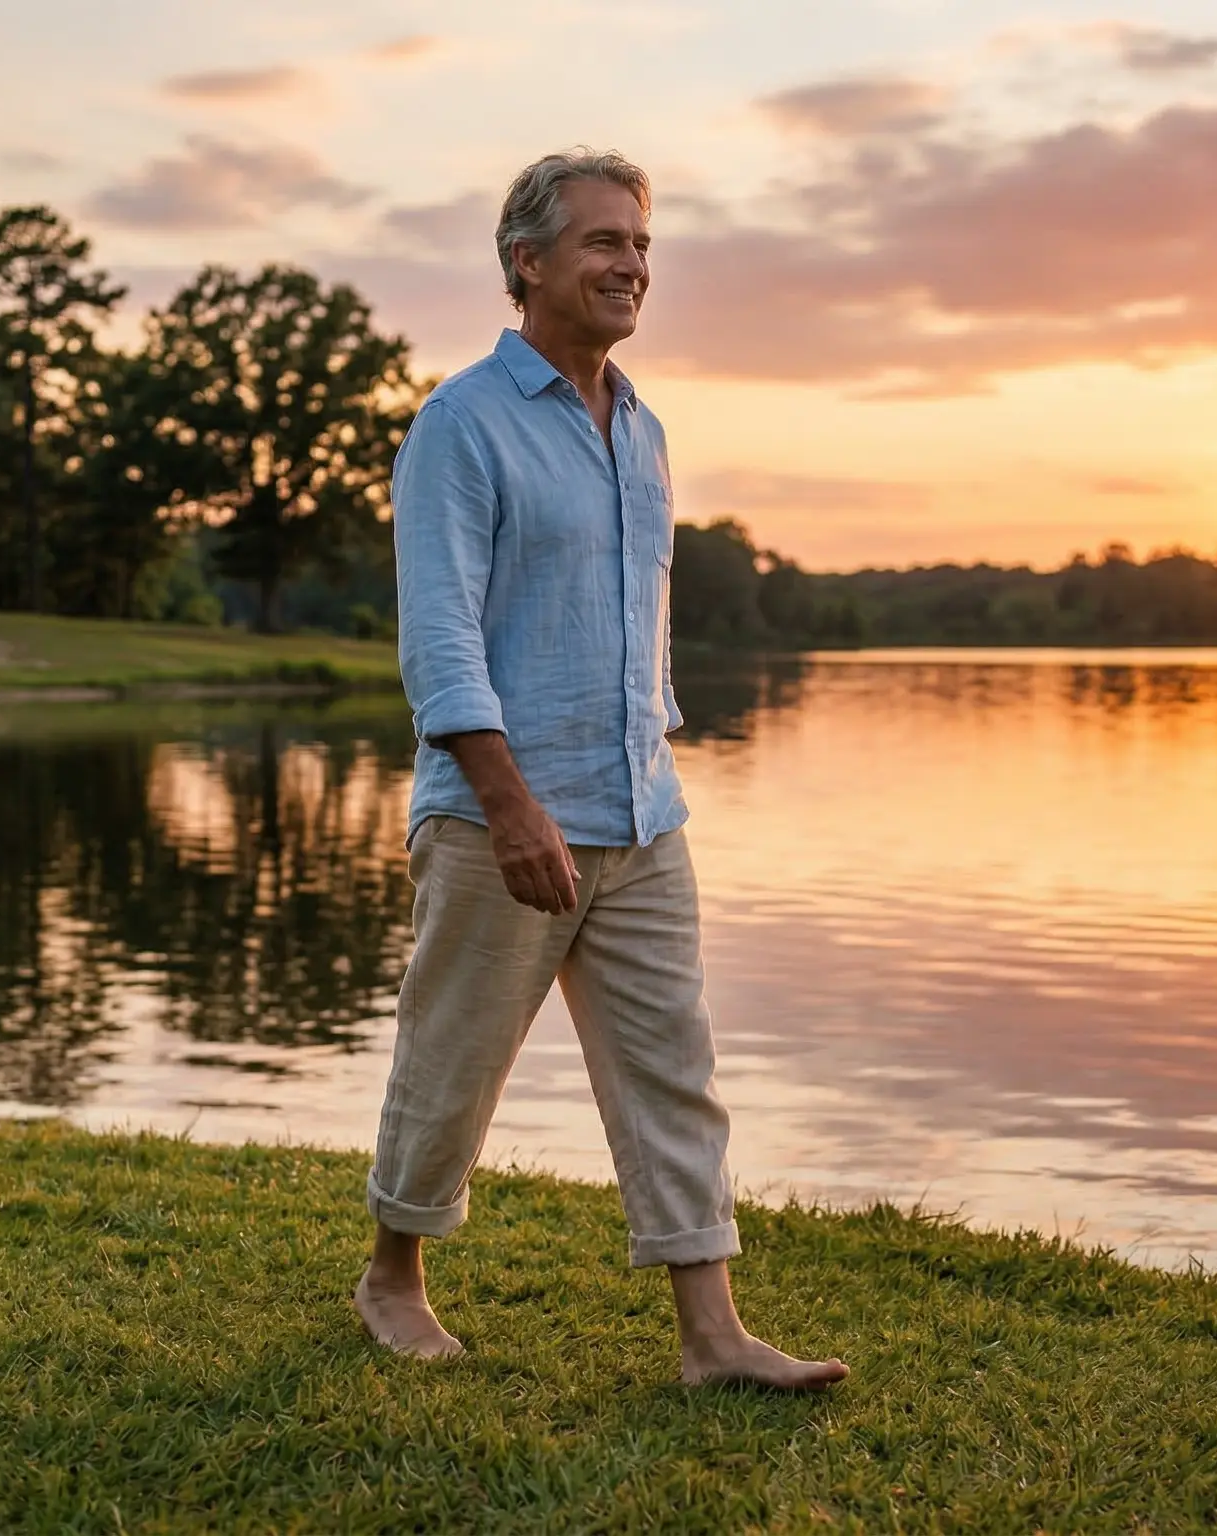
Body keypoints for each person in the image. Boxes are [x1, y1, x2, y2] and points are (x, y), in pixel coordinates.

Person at [357, 149, 848, 1391]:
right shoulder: (459, 425)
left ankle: (712, 1337)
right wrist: (510, 804)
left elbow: (631, 618)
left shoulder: (644, 428)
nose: (630, 264)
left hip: (641, 812)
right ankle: (391, 1277)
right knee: (453, 1060)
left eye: (641, 245)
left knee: (673, 1069)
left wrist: (656, 748)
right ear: (529, 263)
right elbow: (442, 637)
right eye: (602, 243)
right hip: (500, 819)